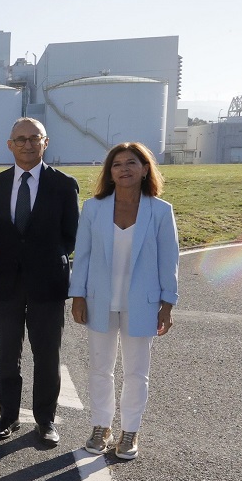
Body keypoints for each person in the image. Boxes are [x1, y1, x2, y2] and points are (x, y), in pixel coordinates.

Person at [70, 142, 178, 461]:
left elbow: (169, 261)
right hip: (99, 300)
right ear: (110, 172)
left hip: (142, 303)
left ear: (145, 169)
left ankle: (130, 430)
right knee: (100, 369)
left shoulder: (160, 211)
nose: (124, 169)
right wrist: (77, 296)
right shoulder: (93, 208)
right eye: (117, 164)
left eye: (132, 163)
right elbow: (83, 256)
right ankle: (101, 426)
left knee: (136, 371)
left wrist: (167, 305)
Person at [0, 118, 80, 444]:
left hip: (48, 285)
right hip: (5, 284)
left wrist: (43, 259)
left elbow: (70, 236)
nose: (27, 144)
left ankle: (45, 421)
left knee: (47, 357)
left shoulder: (64, 185)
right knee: (7, 356)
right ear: (9, 144)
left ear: (45, 142)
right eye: (20, 139)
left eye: (33, 138)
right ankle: (7, 417)